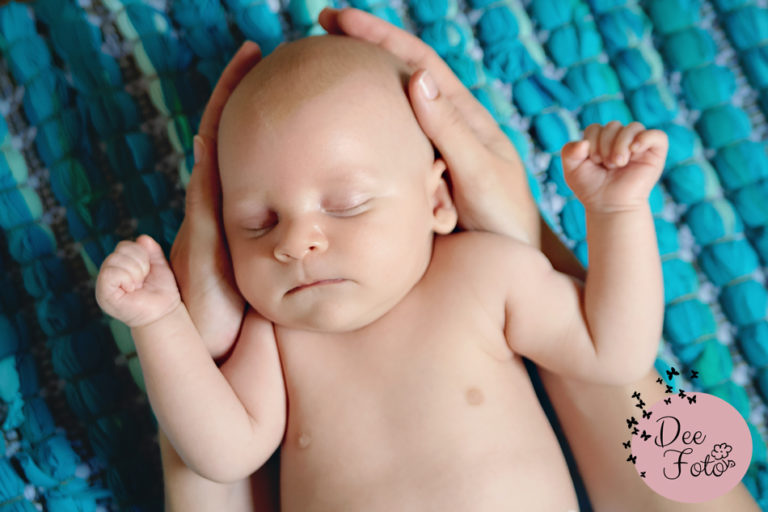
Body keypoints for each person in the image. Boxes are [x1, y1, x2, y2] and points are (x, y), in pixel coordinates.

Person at [148, 8, 759, 512]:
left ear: (438, 199)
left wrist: (616, 213)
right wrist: (167, 327)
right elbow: (221, 453)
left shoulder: (484, 275)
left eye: (348, 205)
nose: (295, 242)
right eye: (257, 223)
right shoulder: (275, 338)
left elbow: (615, 350)